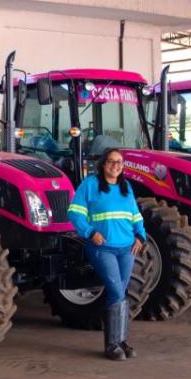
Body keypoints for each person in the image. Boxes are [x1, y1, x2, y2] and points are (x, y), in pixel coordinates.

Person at [68, 148, 146, 361]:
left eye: (119, 162)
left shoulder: (125, 187)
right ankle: (112, 345)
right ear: (103, 164)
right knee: (116, 291)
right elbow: (74, 213)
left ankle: (121, 341)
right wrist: (90, 232)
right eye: (111, 162)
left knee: (121, 292)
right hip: (103, 248)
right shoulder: (90, 186)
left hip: (126, 248)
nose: (116, 166)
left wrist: (140, 236)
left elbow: (136, 216)